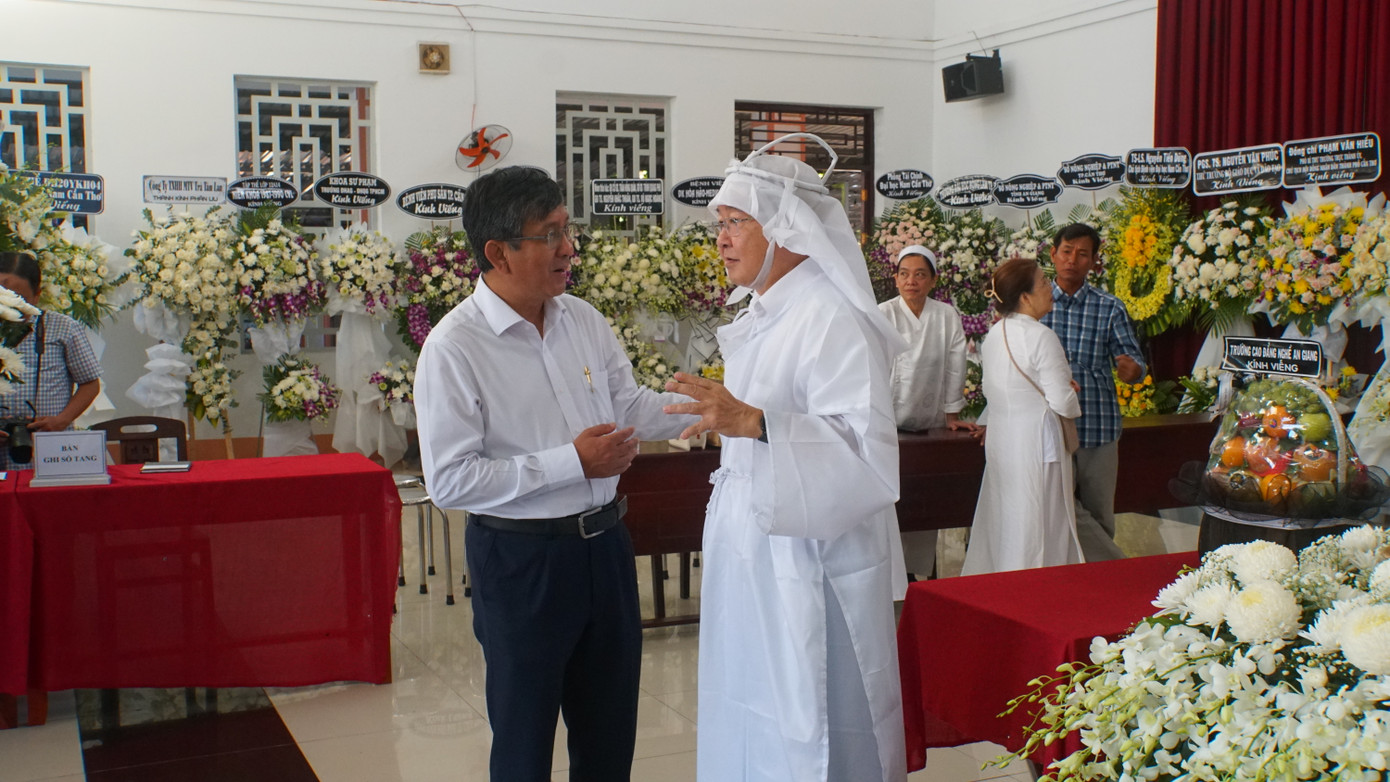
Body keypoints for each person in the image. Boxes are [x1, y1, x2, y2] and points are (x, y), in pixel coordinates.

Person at [412, 165, 694, 782]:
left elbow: (630, 407)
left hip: (606, 549)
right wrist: (574, 462)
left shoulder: (582, 320)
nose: (570, 248)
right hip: (522, 563)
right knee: (524, 742)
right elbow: (450, 480)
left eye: (568, 230)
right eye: (551, 234)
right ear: (498, 253)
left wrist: (714, 409)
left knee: (609, 736)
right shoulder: (454, 347)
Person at [662, 134, 909, 782]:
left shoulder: (830, 316)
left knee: (811, 714)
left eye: (735, 222)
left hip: (809, 557)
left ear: (787, 227)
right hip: (749, 546)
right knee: (744, 700)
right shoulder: (768, 312)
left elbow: (867, 454)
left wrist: (755, 422)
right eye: (719, 224)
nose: (721, 240)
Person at [962, 257, 1083, 574]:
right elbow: (1062, 402)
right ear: (1025, 297)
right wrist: (1071, 393)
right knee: (1042, 521)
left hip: (1003, 442)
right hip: (1038, 444)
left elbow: (997, 389)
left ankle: (1005, 579)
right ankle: (1038, 585)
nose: (1050, 288)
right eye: (1043, 282)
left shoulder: (994, 334)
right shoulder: (1042, 336)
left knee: (1007, 519)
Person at [1040, 223, 1145, 561]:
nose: (1072, 260)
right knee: (1057, 509)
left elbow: (1133, 361)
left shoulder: (1109, 307)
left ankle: (1100, 579)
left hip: (1098, 425)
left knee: (1099, 514)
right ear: (1053, 254)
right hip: (1050, 427)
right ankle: (1103, 569)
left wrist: (1133, 370)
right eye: (1066, 251)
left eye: (1082, 254)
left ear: (1094, 260)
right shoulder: (1036, 304)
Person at [878, 244, 977, 580]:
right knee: (892, 500)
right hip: (888, 421)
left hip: (930, 420)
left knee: (925, 496)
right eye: (904, 274)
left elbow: (955, 365)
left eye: (920, 275)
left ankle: (919, 572)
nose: (911, 281)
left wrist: (952, 414)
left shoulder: (945, 316)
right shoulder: (883, 314)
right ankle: (892, 574)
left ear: (933, 280)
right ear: (895, 279)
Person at [0, 251, 101, 471]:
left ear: (37, 295)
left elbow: (90, 383)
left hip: (50, 449)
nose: (10, 307)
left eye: (19, 299)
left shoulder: (64, 328)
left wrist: (62, 420)